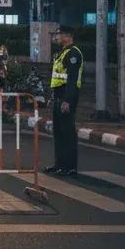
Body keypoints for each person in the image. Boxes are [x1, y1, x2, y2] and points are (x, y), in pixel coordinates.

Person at [46, 25, 83, 176]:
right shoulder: (63, 53)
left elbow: (72, 80)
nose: (57, 37)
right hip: (58, 94)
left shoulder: (74, 54)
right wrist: (52, 97)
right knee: (58, 132)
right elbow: (57, 77)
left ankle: (70, 167)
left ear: (68, 36)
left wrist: (67, 101)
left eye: (59, 34)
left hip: (68, 96)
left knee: (67, 132)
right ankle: (59, 164)